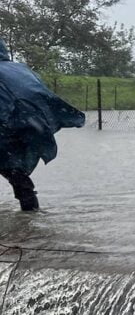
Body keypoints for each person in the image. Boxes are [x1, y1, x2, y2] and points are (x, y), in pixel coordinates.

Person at [0, 38, 85, 211]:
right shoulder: (20, 70)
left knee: (15, 174)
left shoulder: (13, 72)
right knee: (18, 176)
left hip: (8, 129)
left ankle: (28, 226)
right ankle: (30, 220)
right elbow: (41, 94)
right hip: (21, 128)